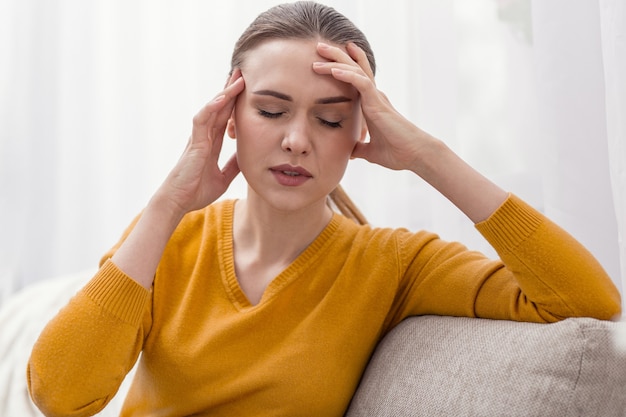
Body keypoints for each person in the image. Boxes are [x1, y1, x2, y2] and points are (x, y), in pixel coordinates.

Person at [27, 1, 621, 416]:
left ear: (360, 130)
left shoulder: (392, 264)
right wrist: (167, 204)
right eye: (270, 110)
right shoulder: (170, 240)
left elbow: (586, 302)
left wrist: (428, 155)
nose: (298, 140)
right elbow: (58, 395)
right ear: (229, 117)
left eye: (331, 118)